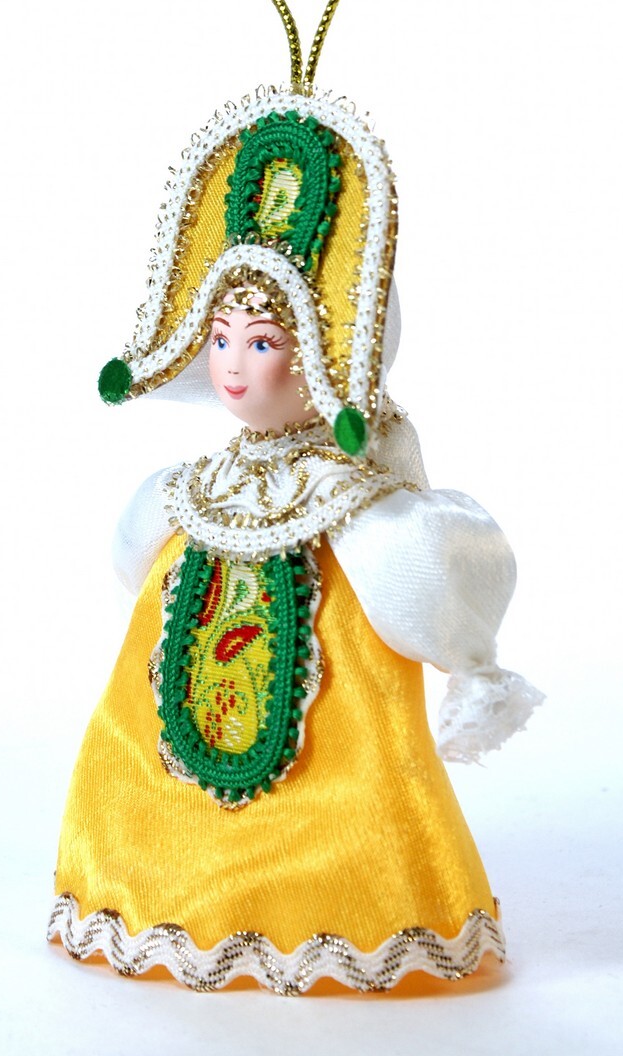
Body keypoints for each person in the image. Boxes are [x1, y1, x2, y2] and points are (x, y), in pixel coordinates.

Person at [48, 92, 543, 993]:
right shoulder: (191, 492)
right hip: (164, 791)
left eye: (264, 341)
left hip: (339, 794)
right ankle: (150, 881)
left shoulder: (359, 509)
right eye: (220, 338)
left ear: (326, 353)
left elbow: (423, 576)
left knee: (346, 753)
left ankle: (339, 898)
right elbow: (130, 563)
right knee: (147, 737)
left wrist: (471, 660)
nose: (233, 365)